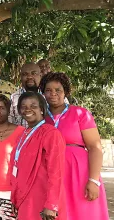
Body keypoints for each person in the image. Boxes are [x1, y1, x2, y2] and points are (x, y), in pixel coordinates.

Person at [40, 72, 109, 220]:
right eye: (48, 90)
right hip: (52, 174)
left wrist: (93, 180)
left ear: (65, 91)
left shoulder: (80, 113)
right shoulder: (41, 118)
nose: (53, 94)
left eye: (58, 90)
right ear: (43, 93)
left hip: (79, 174)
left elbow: (95, 147)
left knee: (82, 213)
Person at [10, 91, 66, 220]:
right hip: (24, 197)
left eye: (33, 106)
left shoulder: (50, 133)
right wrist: (14, 197)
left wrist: (52, 205)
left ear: (41, 109)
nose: (28, 109)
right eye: (23, 107)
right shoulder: (22, 134)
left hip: (42, 198)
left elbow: (57, 171)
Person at [8, 63, 42, 127]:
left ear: (40, 75)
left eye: (33, 73)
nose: (29, 77)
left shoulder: (49, 96)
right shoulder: (13, 98)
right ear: (20, 77)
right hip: (21, 136)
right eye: (25, 74)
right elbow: (10, 123)